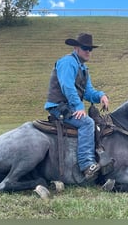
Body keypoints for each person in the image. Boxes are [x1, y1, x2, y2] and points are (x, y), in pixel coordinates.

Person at [44, 33, 109, 180]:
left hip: (69, 107)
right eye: (85, 48)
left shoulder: (83, 68)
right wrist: (79, 106)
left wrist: (101, 96)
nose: (88, 51)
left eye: (90, 49)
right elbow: (67, 86)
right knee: (87, 123)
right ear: (76, 48)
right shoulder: (68, 62)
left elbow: (88, 91)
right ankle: (87, 165)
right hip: (58, 107)